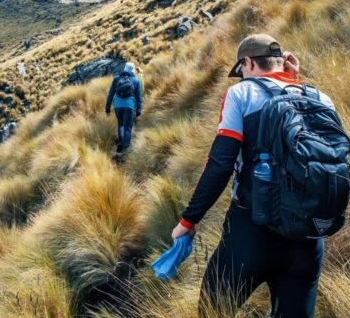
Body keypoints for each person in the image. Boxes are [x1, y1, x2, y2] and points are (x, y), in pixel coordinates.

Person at [170, 34, 334, 318]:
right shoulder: (319, 98)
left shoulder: (241, 94)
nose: (242, 77)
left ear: (248, 62)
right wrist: (295, 79)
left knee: (212, 311)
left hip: (253, 231)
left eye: (242, 70)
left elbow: (220, 164)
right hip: (309, 236)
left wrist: (188, 220)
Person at [105, 62, 143, 155]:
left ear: (125, 69)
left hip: (117, 106)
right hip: (129, 106)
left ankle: (120, 144)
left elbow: (110, 94)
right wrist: (138, 111)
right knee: (128, 127)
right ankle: (125, 150)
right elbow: (139, 98)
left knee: (121, 124)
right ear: (133, 70)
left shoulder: (116, 79)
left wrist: (107, 108)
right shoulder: (136, 80)